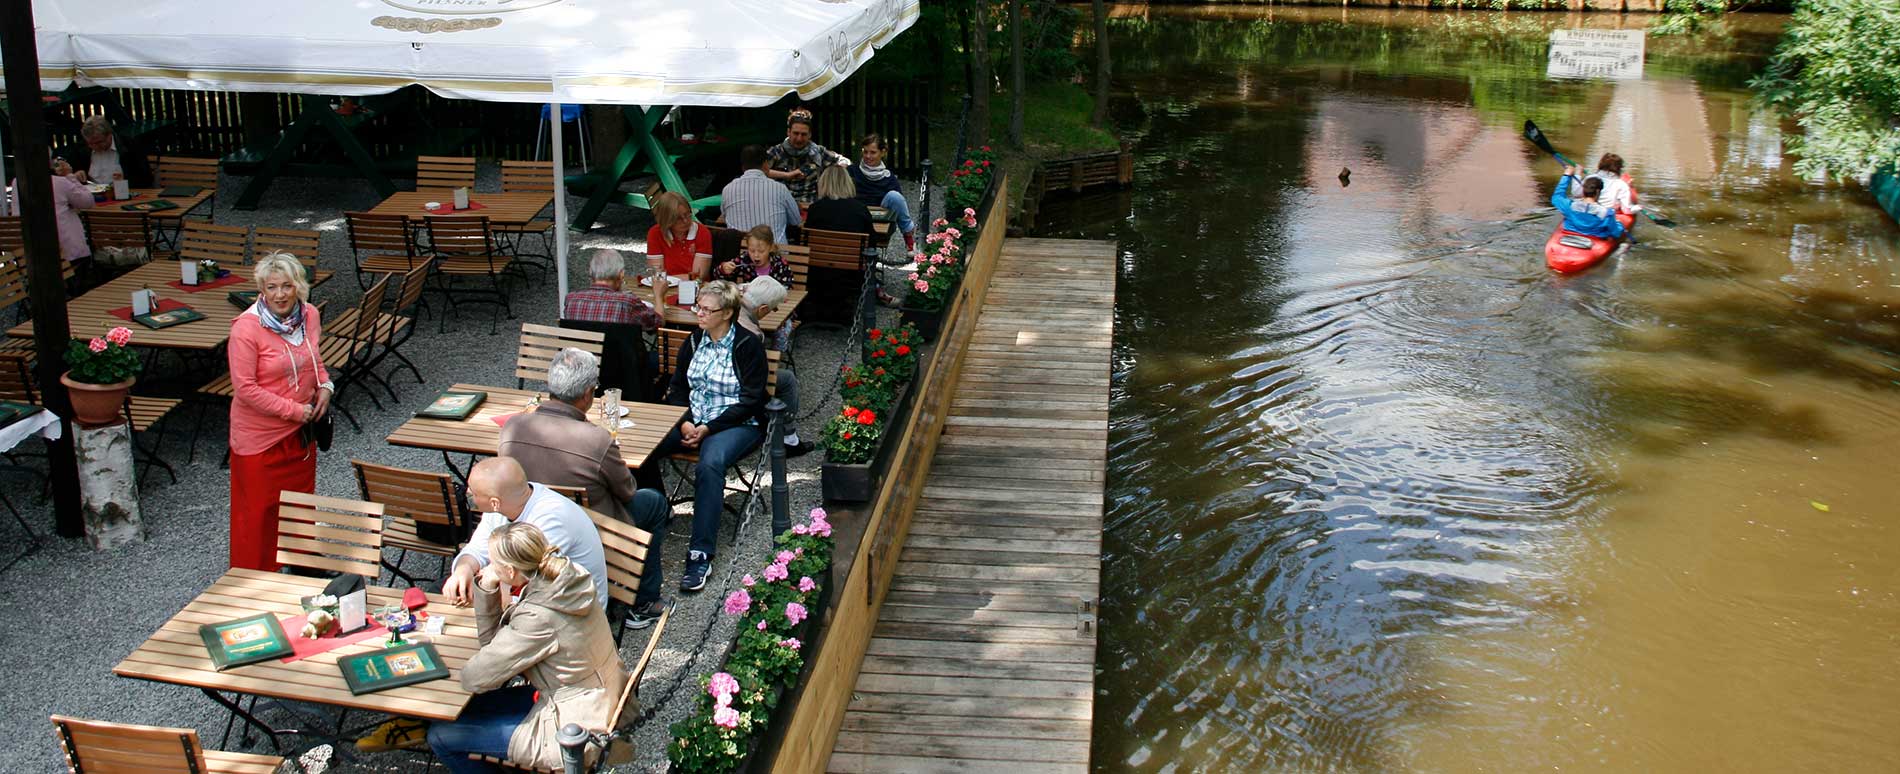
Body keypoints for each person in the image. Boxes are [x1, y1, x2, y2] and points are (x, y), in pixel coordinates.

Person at [425, 522, 629, 774]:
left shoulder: (538, 617)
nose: (489, 566)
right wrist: (490, 587)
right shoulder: (568, 574)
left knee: (440, 735)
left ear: (510, 571)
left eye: (493, 562)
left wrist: (488, 587)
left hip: (570, 724)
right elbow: (495, 652)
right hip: (598, 697)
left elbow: (474, 678)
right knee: (466, 709)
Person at [498, 347, 670, 628]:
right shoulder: (596, 440)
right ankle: (645, 602)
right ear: (588, 394)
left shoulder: (512, 427)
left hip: (527, 527)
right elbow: (627, 491)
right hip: (592, 527)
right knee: (653, 502)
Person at [638, 281, 768, 592]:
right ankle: (655, 507)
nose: (699, 313)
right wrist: (686, 423)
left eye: (707, 309)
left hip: (737, 424)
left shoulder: (747, 345)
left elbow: (751, 400)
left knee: (710, 463)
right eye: (699, 306)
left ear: (727, 314)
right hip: (693, 421)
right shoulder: (695, 340)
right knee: (642, 444)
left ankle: (700, 554)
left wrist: (709, 427)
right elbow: (679, 387)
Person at [225, 252, 332, 572]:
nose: (280, 294)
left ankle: (303, 569)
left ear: (298, 287)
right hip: (260, 438)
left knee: (301, 505)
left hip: (301, 433)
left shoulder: (310, 315)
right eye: (272, 287)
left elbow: (315, 361)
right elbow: (245, 390)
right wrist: (294, 411)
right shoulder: (246, 329)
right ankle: (255, 579)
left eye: (287, 286)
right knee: (258, 515)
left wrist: (326, 387)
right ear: (261, 289)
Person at [444, 457, 609, 612]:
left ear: (494, 502)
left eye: (473, 492)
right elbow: (477, 549)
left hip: (572, 609)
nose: (467, 493)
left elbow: (524, 578)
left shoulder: (550, 519)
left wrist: (482, 584)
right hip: (532, 594)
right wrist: (463, 569)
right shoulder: (506, 501)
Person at [741, 275, 812, 458]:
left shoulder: (725, 307)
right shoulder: (753, 333)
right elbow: (755, 377)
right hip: (739, 387)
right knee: (787, 379)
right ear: (763, 308)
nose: (771, 313)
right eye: (772, 309)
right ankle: (788, 438)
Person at [9, 152, 96, 264]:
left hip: (30, 251)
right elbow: (87, 202)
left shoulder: (17, 182)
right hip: (67, 252)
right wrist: (70, 176)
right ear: (49, 163)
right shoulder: (60, 182)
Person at [562, 249, 663, 331]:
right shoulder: (628, 302)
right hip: (618, 356)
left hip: (582, 355)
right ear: (621, 274)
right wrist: (659, 295)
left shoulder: (571, 299)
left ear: (590, 272)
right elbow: (657, 324)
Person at [848, 133, 917, 252]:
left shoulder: (889, 178)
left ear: (883, 152)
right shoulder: (852, 171)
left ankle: (909, 237)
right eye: (865, 152)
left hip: (879, 217)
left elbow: (898, 205)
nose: (868, 156)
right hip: (856, 215)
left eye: (873, 152)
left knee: (895, 196)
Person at [721, 144, 802, 244]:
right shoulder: (780, 188)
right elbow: (796, 221)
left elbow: (725, 219)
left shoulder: (728, 189)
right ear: (765, 164)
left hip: (738, 254)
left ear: (742, 167)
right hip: (774, 255)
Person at [766, 108, 843, 205]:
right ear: (788, 132)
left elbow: (843, 161)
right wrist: (787, 175)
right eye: (796, 133)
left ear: (810, 134)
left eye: (803, 134)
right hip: (781, 205)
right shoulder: (776, 151)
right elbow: (758, 171)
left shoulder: (819, 152)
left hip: (810, 206)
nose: (799, 138)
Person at [62, 115, 154, 188]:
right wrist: (76, 174)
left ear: (109, 135)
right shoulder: (81, 148)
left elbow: (146, 178)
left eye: (99, 142)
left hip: (124, 194)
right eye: (90, 143)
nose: (94, 147)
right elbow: (70, 171)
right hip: (91, 198)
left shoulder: (129, 146)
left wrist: (124, 182)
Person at [644, 191, 713, 281]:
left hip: (694, 288)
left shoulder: (702, 232)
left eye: (688, 214)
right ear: (667, 219)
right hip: (665, 287)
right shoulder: (655, 233)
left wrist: (667, 279)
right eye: (678, 218)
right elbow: (657, 274)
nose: (685, 221)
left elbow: (699, 276)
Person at [1552, 166, 1628, 241]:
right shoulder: (1606, 213)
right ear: (1598, 191)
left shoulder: (1569, 206)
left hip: (1570, 234)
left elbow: (1557, 196)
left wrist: (1566, 175)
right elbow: (1616, 233)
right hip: (1595, 239)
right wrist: (1618, 223)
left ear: (1583, 190)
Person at [714, 225, 794, 288]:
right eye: (752, 251)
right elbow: (718, 276)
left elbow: (787, 285)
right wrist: (724, 269)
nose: (756, 255)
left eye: (761, 251)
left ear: (771, 248)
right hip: (750, 302)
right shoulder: (744, 259)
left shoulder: (779, 264)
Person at [1569, 153, 1637, 215]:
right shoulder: (1622, 185)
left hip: (1585, 210)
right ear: (1619, 169)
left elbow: (1575, 193)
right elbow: (1627, 210)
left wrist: (1578, 174)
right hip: (1605, 214)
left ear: (1601, 164)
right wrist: (1638, 207)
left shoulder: (1590, 178)